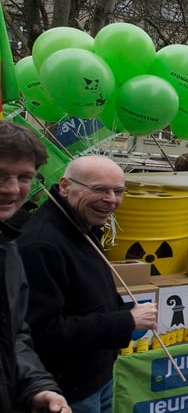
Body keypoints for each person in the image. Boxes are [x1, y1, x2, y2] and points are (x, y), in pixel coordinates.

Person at [19, 155, 158, 412]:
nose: (112, 200)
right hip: (67, 391)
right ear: (64, 186)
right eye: (100, 189)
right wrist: (126, 321)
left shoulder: (83, 225)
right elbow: (42, 333)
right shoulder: (41, 244)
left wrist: (121, 311)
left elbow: (85, 299)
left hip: (98, 377)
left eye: (118, 191)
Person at [0, 122, 72, 413]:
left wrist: (37, 387)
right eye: (1, 176)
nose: (12, 189)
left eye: (25, 177)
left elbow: (13, 335)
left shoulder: (8, 246)